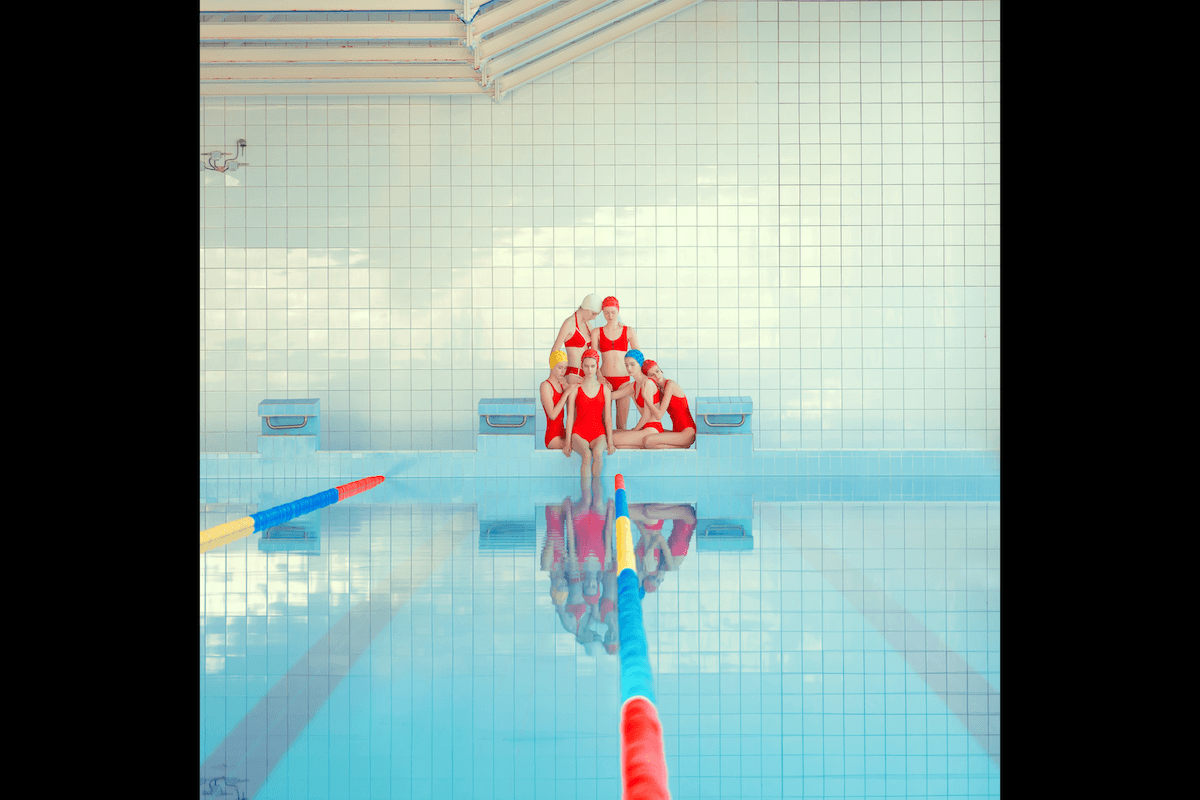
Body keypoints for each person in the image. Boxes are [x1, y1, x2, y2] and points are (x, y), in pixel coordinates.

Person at [562, 349, 616, 478]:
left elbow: (608, 418)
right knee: (586, 455)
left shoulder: (605, 390)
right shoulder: (576, 388)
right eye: (586, 366)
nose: (589, 370)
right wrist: (567, 442)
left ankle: (597, 491)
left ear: (597, 366)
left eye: (592, 366)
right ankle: (585, 495)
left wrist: (610, 442)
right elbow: (569, 417)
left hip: (598, 433)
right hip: (579, 433)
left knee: (597, 453)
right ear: (582, 366)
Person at [592, 296, 641, 430]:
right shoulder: (597, 332)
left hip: (624, 381)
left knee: (621, 425)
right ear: (602, 312)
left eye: (613, 312)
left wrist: (638, 378)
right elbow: (593, 358)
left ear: (618, 311)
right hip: (604, 379)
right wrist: (599, 377)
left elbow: (638, 357)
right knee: (602, 425)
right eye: (607, 312)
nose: (610, 315)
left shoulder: (628, 331)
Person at [641, 360, 697, 449]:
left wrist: (645, 396)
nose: (656, 375)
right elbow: (651, 414)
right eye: (652, 375)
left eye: (657, 371)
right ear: (648, 378)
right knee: (646, 436)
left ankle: (682, 446)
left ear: (661, 370)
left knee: (648, 441)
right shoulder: (659, 390)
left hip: (688, 432)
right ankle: (681, 445)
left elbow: (659, 415)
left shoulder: (670, 385)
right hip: (676, 432)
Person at [609, 349, 658, 449]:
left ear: (640, 364)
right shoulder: (633, 386)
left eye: (632, 364)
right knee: (609, 434)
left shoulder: (648, 383)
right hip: (644, 428)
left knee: (611, 439)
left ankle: (645, 446)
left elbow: (647, 415)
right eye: (626, 365)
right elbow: (611, 396)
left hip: (653, 428)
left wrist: (634, 430)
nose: (629, 368)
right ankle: (640, 448)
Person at [551, 294, 603, 385]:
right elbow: (554, 351)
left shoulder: (588, 325)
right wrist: (560, 378)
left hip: (586, 377)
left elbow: (600, 348)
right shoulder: (569, 323)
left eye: (596, 315)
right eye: (593, 313)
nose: (594, 317)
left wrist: (615, 325)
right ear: (586, 307)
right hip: (573, 375)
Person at [540, 350, 578, 450]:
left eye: (565, 368)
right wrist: (566, 393)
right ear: (552, 366)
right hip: (553, 438)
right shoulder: (545, 386)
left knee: (585, 438)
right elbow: (552, 415)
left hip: (562, 433)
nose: (563, 371)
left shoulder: (561, 384)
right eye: (559, 367)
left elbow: (574, 387)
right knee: (580, 445)